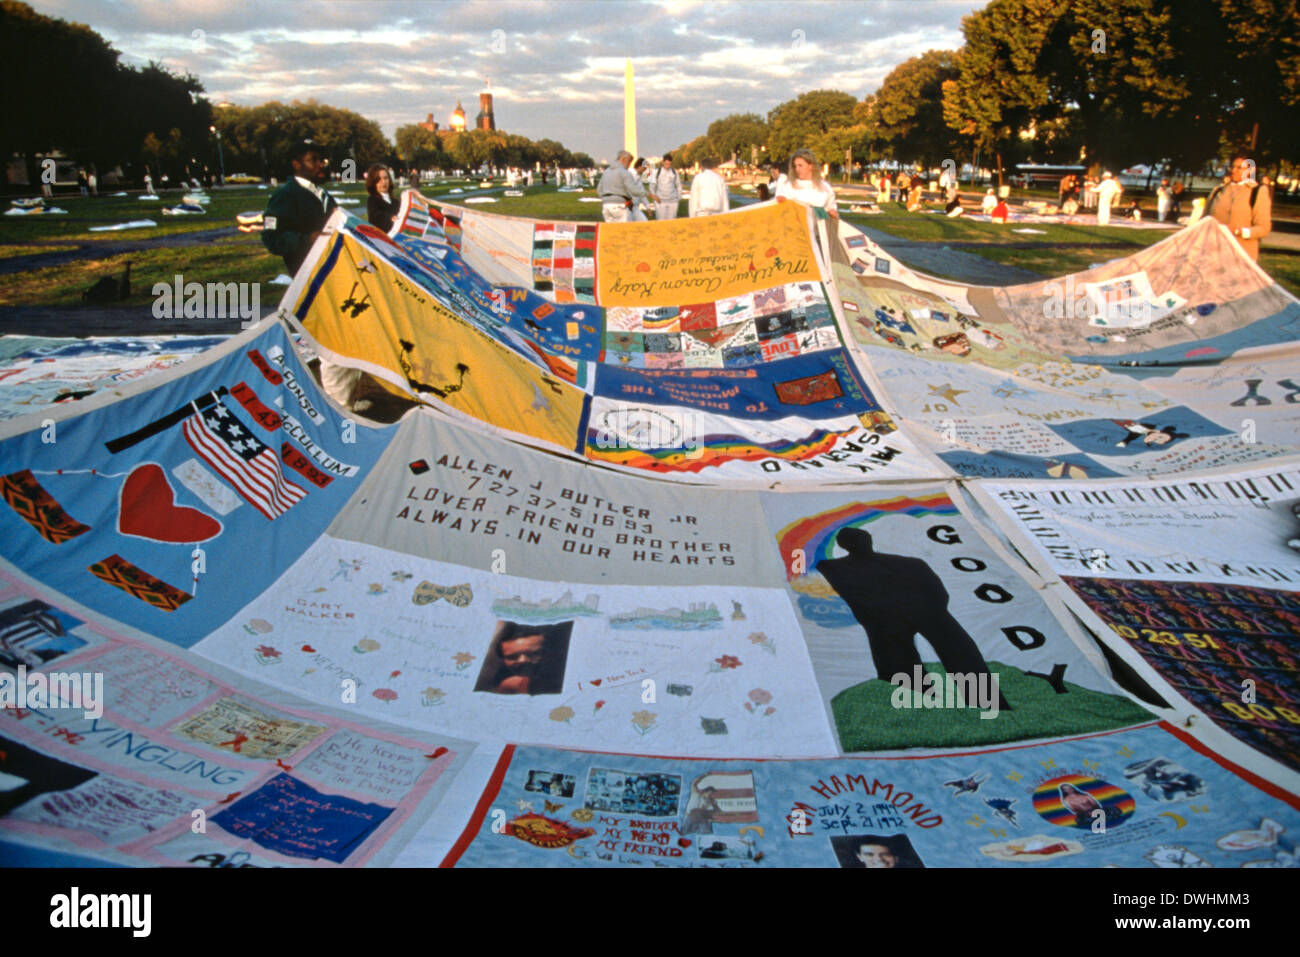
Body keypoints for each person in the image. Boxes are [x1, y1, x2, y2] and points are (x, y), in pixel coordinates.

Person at [815, 527, 1008, 709]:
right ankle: (950, 702)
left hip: (909, 617)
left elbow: (938, 592)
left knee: (954, 654)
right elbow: (938, 592)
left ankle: (980, 701)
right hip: (900, 619)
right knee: (916, 661)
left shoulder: (834, 567)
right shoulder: (910, 562)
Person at [261, 139, 338, 275]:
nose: (320, 165)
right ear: (296, 165)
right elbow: (271, 238)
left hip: (332, 266)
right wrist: (308, 239)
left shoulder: (322, 193)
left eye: (320, 160)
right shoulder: (284, 195)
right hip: (307, 274)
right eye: (313, 160)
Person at [1206, 153, 1272, 261]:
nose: (1233, 171)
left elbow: (1264, 228)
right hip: (1213, 255)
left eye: (1239, 168)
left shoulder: (1258, 192)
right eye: (1232, 166)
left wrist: (1239, 231)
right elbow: (1204, 220)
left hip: (1240, 257)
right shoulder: (1218, 190)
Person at [776, 148, 837, 218]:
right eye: (795, 166)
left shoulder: (824, 187)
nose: (797, 169)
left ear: (810, 166)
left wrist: (832, 211)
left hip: (819, 225)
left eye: (800, 165)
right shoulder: (788, 186)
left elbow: (831, 207)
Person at [597, 150, 651, 223]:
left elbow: (599, 190)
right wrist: (649, 194)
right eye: (629, 162)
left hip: (606, 206)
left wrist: (607, 199)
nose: (629, 165)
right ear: (623, 159)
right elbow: (633, 190)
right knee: (626, 230)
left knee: (612, 231)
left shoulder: (607, 172)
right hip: (621, 206)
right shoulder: (625, 173)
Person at [365, 163, 399, 233]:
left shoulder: (396, 202)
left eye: (385, 178)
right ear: (373, 182)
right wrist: (390, 218)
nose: (383, 182)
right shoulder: (372, 200)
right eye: (378, 179)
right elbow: (376, 217)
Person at [650, 153, 683, 220]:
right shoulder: (657, 172)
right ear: (663, 162)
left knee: (672, 221)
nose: (668, 166)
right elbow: (652, 186)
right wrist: (655, 197)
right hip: (660, 202)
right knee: (661, 221)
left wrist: (678, 198)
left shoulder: (674, 172)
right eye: (666, 164)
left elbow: (679, 186)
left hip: (673, 201)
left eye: (669, 164)